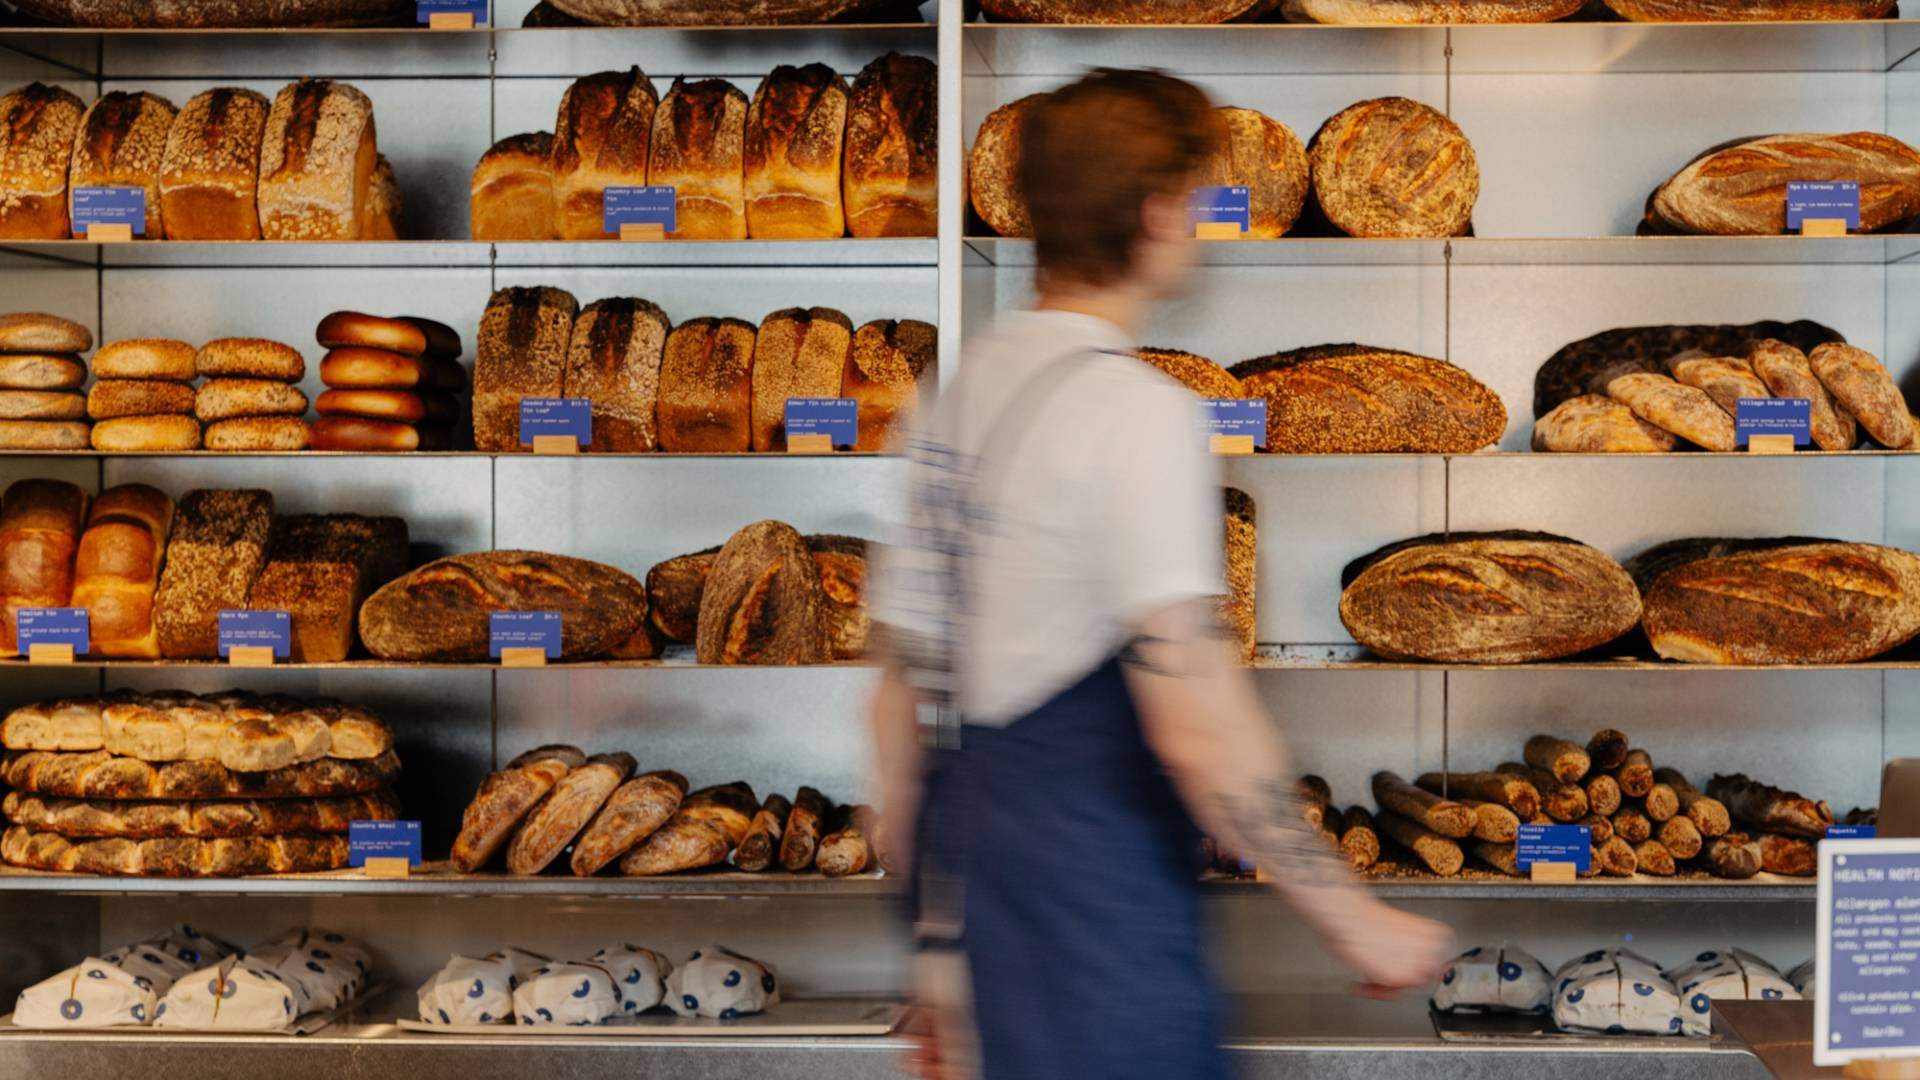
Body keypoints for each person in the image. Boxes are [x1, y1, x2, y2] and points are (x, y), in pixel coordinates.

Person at [866, 68, 1453, 1080]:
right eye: (1193, 195)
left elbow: (893, 701)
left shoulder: (952, 397)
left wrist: (932, 947)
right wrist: (1352, 917)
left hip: (987, 893)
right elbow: (1195, 719)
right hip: (1094, 909)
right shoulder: (1134, 413)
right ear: (1154, 211)